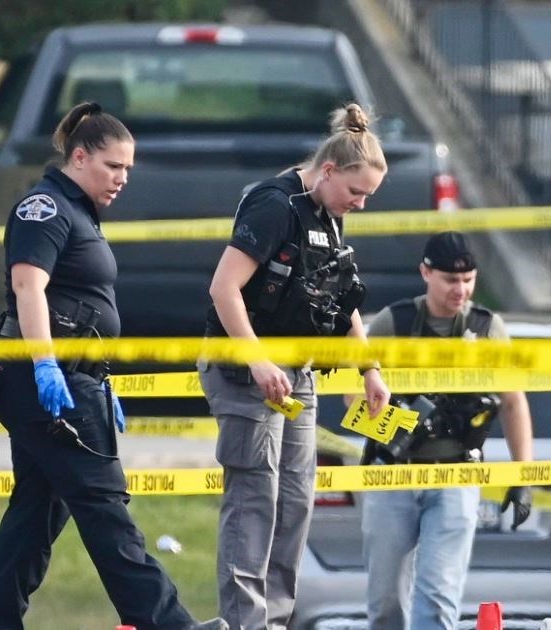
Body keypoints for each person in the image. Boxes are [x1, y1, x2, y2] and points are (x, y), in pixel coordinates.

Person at [0, 101, 226, 630]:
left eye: (128, 169)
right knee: (106, 509)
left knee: (38, 511)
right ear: (79, 156)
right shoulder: (45, 208)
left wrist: (93, 379)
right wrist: (47, 368)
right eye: (114, 166)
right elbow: (28, 287)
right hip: (48, 379)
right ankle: (168, 624)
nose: (123, 179)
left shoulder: (79, 211)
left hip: (75, 379)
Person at [200, 103, 392, 630]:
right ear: (328, 171)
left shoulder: (330, 219)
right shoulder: (274, 205)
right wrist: (256, 359)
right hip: (245, 370)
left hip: (298, 373)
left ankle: (276, 620)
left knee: (295, 502)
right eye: (356, 192)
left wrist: (368, 369)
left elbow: (342, 299)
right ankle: (246, 623)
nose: (360, 205)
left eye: (367, 197)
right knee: (254, 498)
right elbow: (224, 289)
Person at [360, 231, 534, 630]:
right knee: (385, 602)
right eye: (451, 280)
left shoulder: (487, 328)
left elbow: (512, 401)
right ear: (425, 272)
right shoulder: (395, 322)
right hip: (393, 473)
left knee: (438, 596)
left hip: (457, 473)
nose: (462, 289)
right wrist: (401, 422)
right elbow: (353, 395)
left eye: (469, 280)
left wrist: (523, 476)